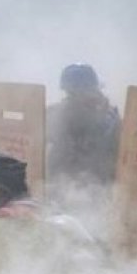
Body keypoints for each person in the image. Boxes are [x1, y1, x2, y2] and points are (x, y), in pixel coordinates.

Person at [46, 63, 121, 211]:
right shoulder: (58, 113)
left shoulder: (107, 116)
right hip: (64, 185)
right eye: (70, 93)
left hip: (94, 188)